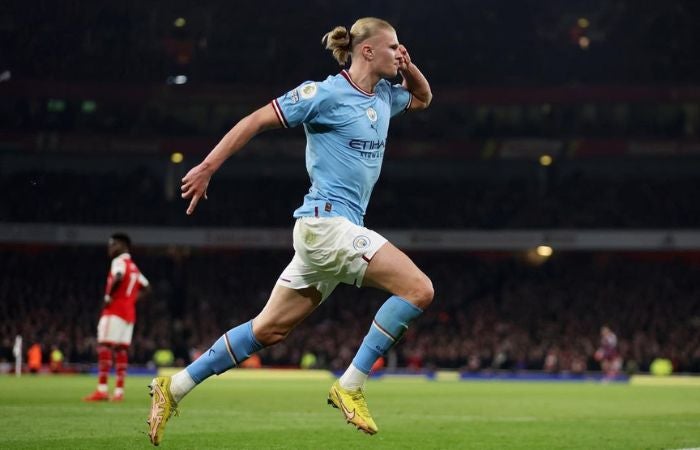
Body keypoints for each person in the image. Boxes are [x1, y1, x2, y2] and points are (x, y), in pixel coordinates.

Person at [147, 17, 433, 445]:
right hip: (325, 224)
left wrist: (409, 68)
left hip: (337, 231)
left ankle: (176, 386)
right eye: (393, 47)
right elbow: (254, 120)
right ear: (367, 51)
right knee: (418, 289)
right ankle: (351, 385)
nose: (400, 52)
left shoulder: (385, 98)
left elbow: (425, 98)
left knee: (269, 330)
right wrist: (208, 166)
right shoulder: (323, 94)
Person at [84, 233, 151, 402]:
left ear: (122, 245)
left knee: (105, 346)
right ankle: (119, 392)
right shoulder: (134, 267)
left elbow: (119, 276)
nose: (110, 248)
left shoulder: (118, 262)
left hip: (114, 311)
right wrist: (132, 299)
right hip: (129, 314)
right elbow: (147, 287)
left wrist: (109, 297)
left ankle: (102, 390)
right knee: (121, 350)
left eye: (113, 244)